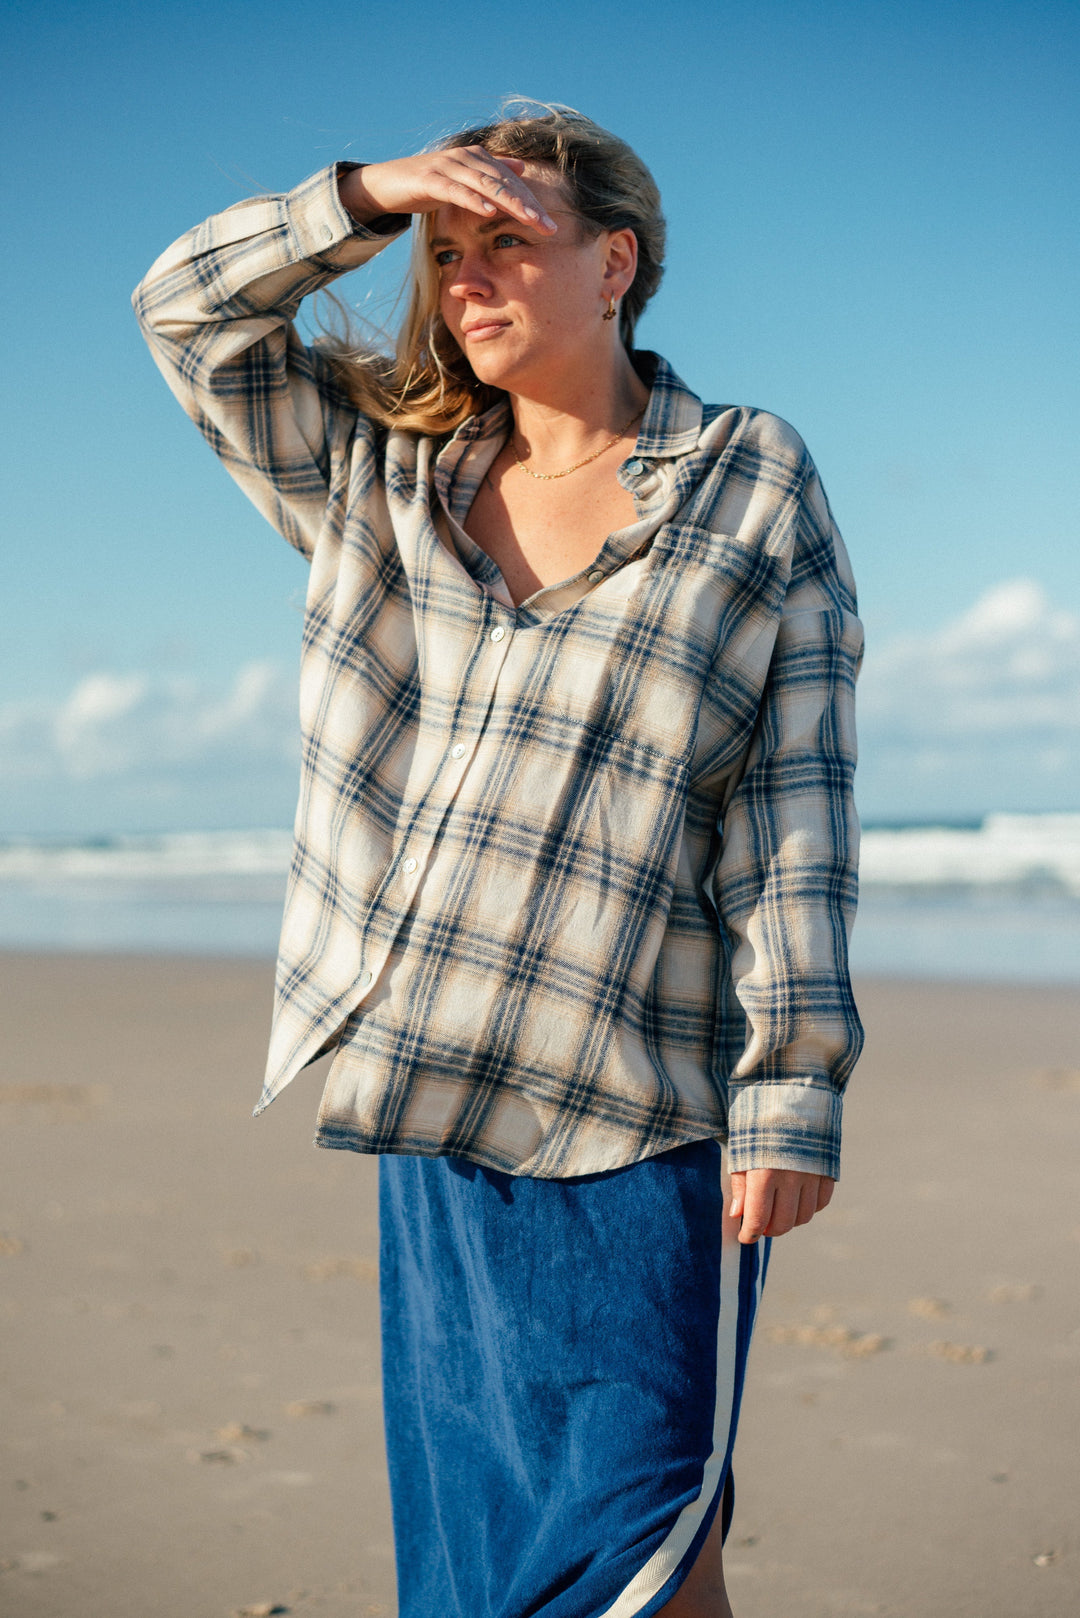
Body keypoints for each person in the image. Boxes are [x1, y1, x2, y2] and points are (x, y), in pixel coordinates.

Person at [133, 101, 864, 1618]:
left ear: (617, 263)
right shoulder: (383, 481)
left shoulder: (749, 480)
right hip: (438, 1111)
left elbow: (792, 797)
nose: (464, 278)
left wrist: (792, 1079)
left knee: (649, 1550)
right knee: (487, 1567)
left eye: (506, 242)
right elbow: (185, 311)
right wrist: (364, 192)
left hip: (645, 1119)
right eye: (444, 250)